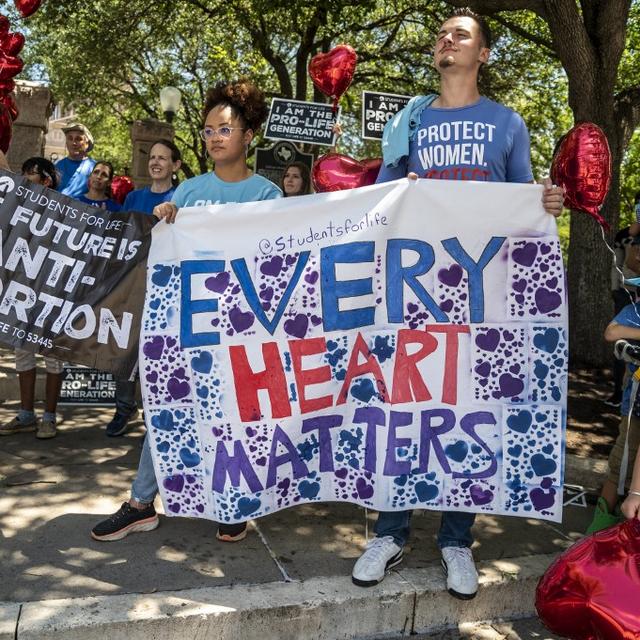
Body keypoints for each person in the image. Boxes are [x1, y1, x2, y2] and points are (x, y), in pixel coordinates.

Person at [351, 8, 565, 600]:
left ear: (483, 54)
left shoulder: (507, 123)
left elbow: (523, 201)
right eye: (442, 34)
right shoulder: (410, 121)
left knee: (468, 411)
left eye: (461, 34)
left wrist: (545, 201)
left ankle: (454, 538)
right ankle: (390, 532)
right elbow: (382, 200)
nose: (446, 40)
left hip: (480, 298)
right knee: (404, 406)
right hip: (413, 296)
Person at [91, 78, 281, 544]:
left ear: (248, 136)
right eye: (208, 130)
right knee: (167, 408)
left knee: (234, 417)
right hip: (185, 327)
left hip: (240, 331)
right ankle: (140, 503)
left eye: (226, 129)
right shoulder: (189, 193)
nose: (215, 137)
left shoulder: (268, 197)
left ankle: (232, 501)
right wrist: (165, 221)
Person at [106, 139, 183, 438]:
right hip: (132, 283)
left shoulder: (183, 197)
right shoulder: (133, 198)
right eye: (152, 157)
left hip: (167, 288)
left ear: (175, 166)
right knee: (124, 348)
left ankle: (157, 417)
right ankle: (124, 408)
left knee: (159, 352)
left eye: (163, 158)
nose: (156, 162)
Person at [0, 157, 63, 439]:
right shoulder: (16, 206)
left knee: (52, 356)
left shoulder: (66, 212)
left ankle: (49, 418)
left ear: (46, 180)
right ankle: (26, 415)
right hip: (21, 290)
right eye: (22, 173)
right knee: (22, 352)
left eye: (31, 173)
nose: (25, 177)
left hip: (52, 293)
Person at [586, 305, 640, 532]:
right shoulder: (635, 311)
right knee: (621, 464)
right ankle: (598, 531)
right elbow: (611, 333)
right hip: (635, 405)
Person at [605, 220, 640, 407]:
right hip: (627, 292)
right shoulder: (624, 235)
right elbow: (618, 263)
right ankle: (619, 391)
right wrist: (615, 289)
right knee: (624, 347)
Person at [55, 122, 96, 198]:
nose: (73, 143)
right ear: (66, 142)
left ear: (87, 144)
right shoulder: (57, 166)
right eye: (70, 138)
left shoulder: (95, 168)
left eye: (78, 139)